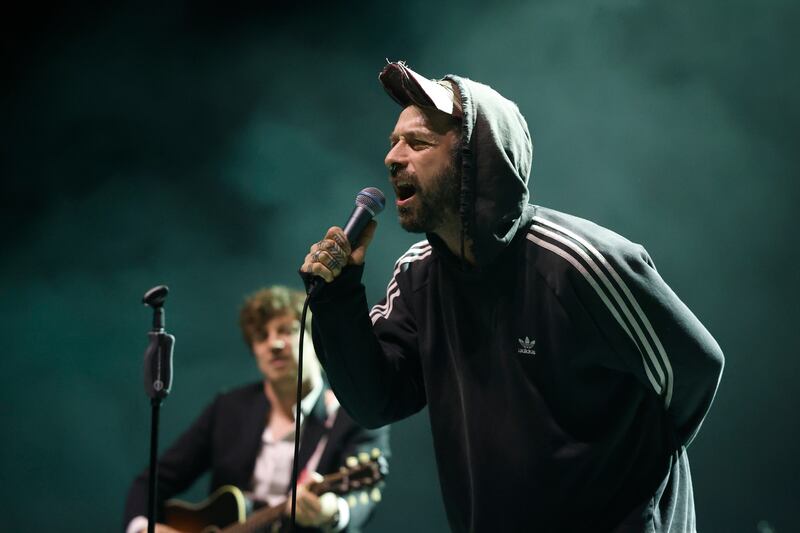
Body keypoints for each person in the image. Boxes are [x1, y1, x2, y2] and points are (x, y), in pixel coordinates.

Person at [299, 61, 724, 532]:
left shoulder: (579, 263)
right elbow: (377, 400)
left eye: (417, 143)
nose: (392, 158)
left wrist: (633, 495)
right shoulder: (418, 275)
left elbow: (693, 371)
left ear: (475, 160)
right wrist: (338, 299)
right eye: (392, 143)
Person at [123, 285, 389, 533]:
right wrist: (142, 527)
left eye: (286, 330)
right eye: (262, 336)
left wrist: (331, 512)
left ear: (315, 339)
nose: (274, 344)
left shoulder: (353, 413)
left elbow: (359, 500)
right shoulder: (228, 408)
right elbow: (151, 482)